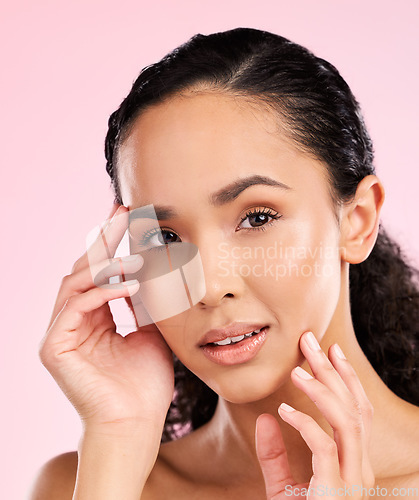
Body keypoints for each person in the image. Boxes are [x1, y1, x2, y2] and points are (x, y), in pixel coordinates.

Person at [30, 27, 419, 499]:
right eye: (164, 236)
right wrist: (117, 436)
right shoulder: (88, 482)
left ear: (356, 221)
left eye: (256, 218)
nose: (208, 288)